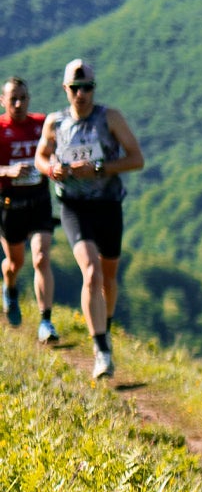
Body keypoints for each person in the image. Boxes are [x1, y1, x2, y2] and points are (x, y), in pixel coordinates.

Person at [34, 60, 143, 378]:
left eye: (87, 88)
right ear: (65, 89)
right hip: (74, 207)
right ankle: (101, 351)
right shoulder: (55, 123)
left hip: (108, 205)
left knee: (109, 277)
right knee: (92, 273)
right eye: (75, 88)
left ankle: (104, 328)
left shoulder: (109, 118)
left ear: (94, 88)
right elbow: (41, 156)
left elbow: (136, 158)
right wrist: (51, 169)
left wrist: (99, 169)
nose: (81, 94)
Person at [0, 78, 56, 341]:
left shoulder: (41, 124)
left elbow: (55, 152)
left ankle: (46, 322)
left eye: (23, 97)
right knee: (15, 263)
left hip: (39, 201)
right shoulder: (0, 129)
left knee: (41, 258)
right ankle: (9, 286)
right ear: (3, 101)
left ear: (29, 98)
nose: (19, 103)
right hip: (10, 205)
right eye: (13, 99)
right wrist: (8, 171)